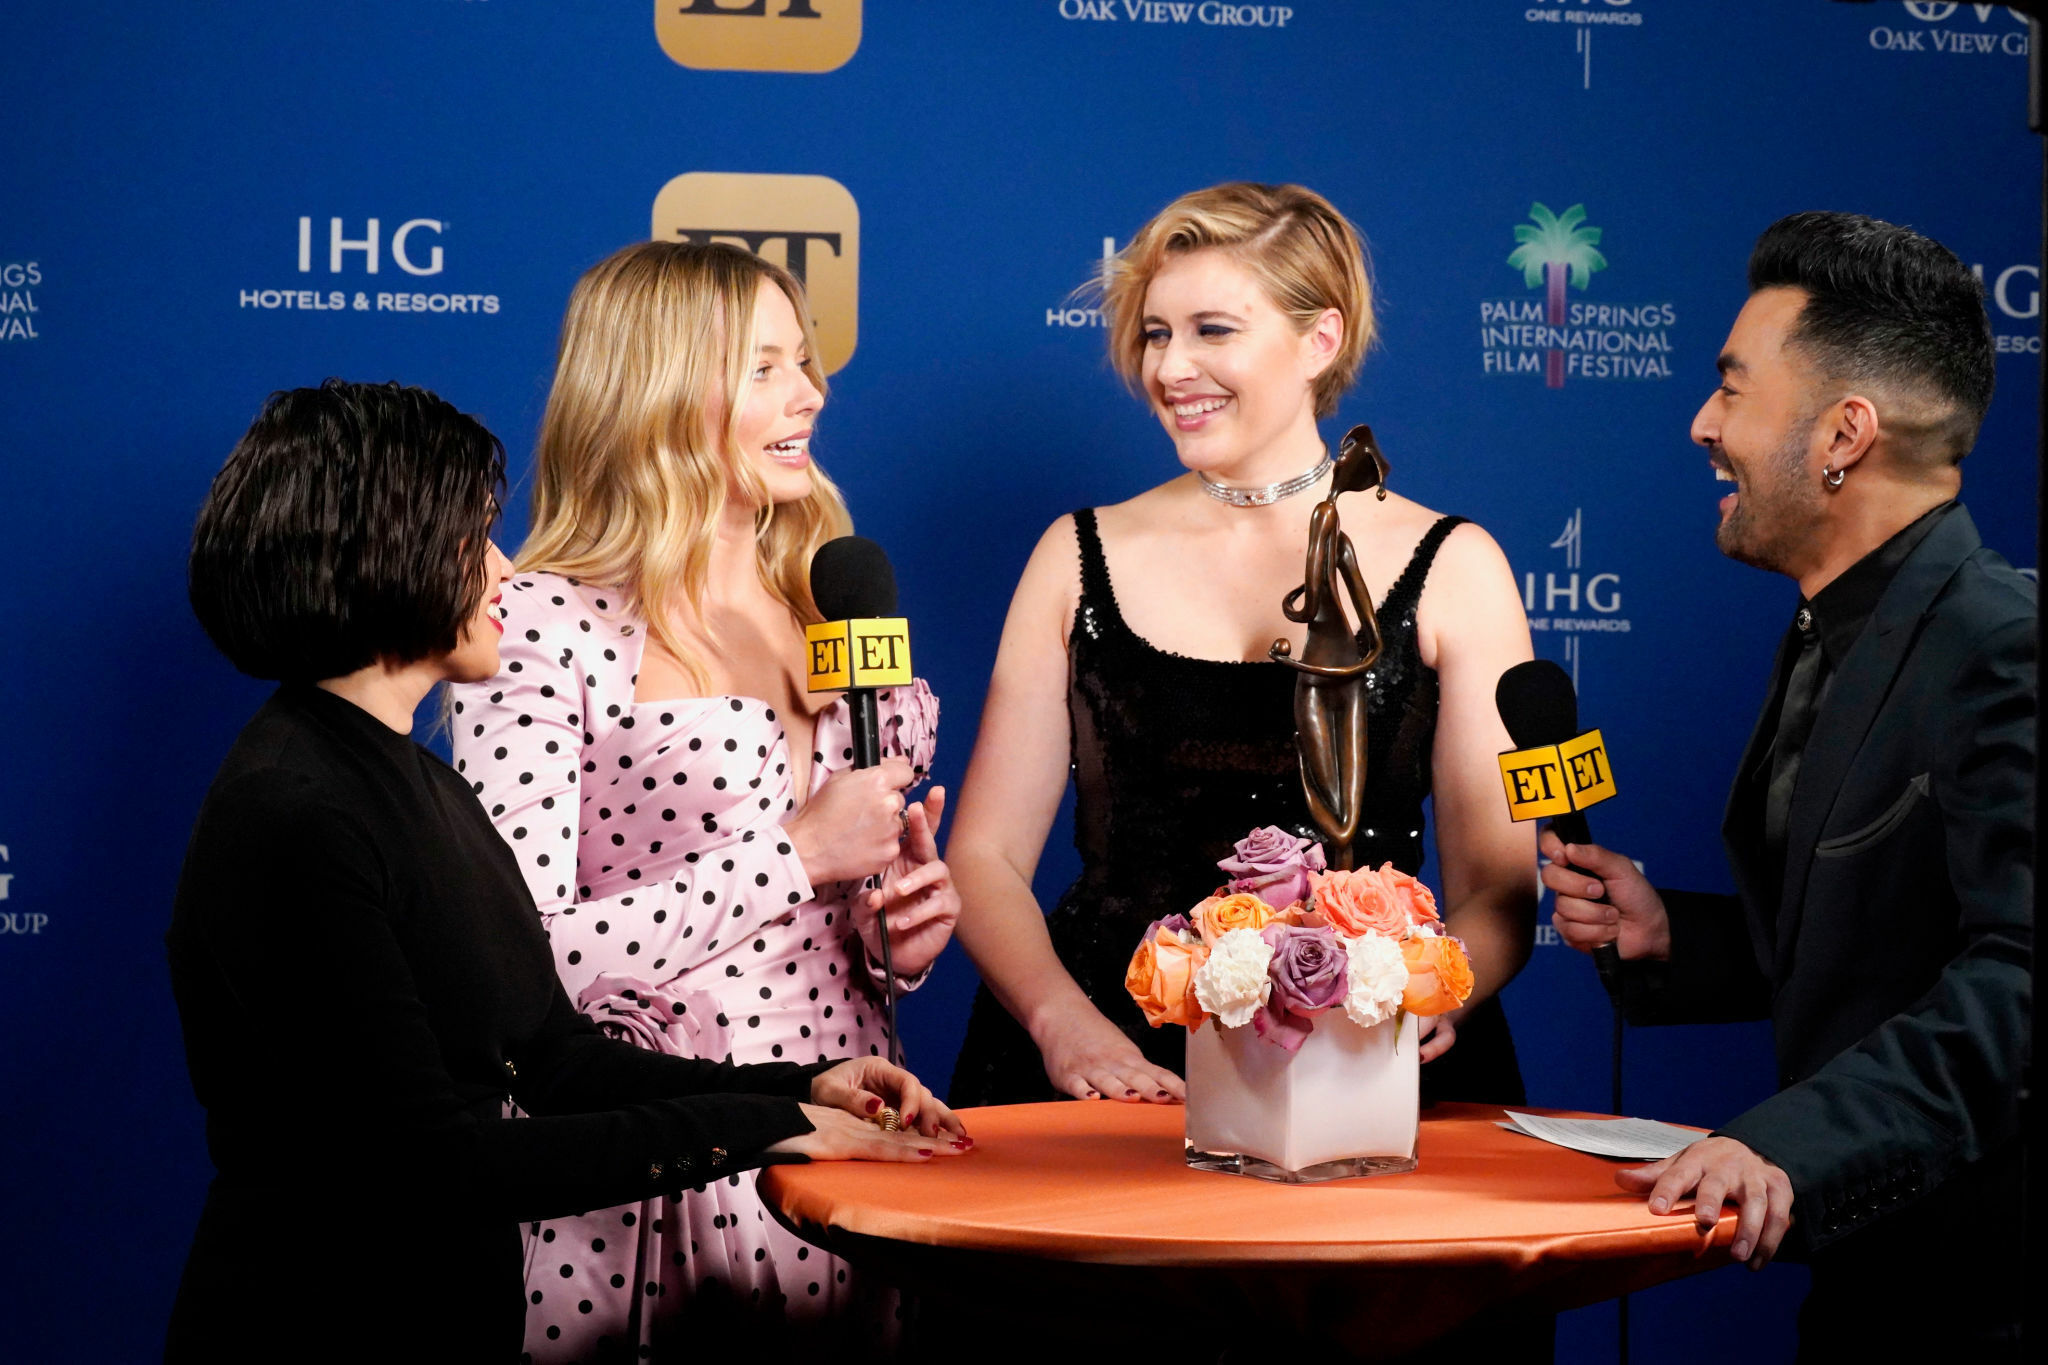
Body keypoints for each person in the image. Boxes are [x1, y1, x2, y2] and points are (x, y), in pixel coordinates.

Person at [165, 380, 967, 1363]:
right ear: (384, 550)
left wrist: (805, 1090)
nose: (503, 568)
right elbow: (440, 1163)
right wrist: (771, 1131)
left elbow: (558, 1061)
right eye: (475, 538)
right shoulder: (294, 810)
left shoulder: (421, 783)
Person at [450, 241, 959, 1359]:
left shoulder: (825, 605)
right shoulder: (542, 626)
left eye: (804, 363)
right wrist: (793, 855)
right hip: (651, 1155)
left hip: (849, 1138)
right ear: (658, 390)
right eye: (764, 368)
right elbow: (516, 966)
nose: (810, 394)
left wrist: (900, 937)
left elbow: (843, 917)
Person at [1541, 212, 2031, 1358]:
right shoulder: (1831, 628)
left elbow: (2017, 975)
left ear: (1841, 434)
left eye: (1731, 388)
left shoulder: (1999, 645)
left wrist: (1788, 1146)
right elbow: (1884, 941)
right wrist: (1678, 938)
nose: (1701, 425)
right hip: (1872, 1294)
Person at [947, 182, 1538, 1111]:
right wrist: (1063, 1022)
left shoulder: (1456, 564)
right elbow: (983, 856)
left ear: (1320, 340)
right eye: (1156, 334)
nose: (1171, 366)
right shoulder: (1075, 553)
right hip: (1109, 1062)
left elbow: (1500, 890)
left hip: (1362, 1062)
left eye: (1212, 330)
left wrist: (1429, 992)